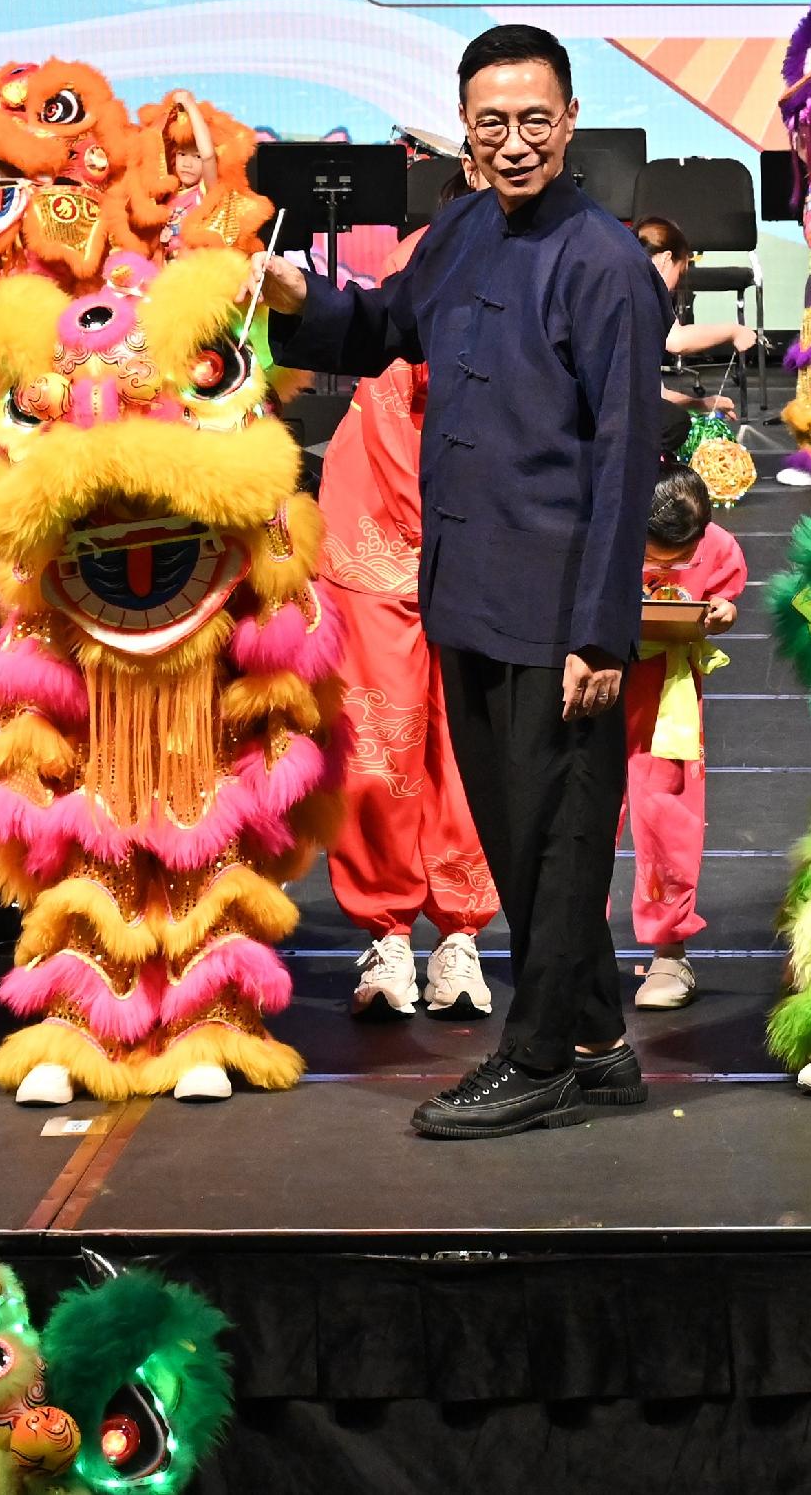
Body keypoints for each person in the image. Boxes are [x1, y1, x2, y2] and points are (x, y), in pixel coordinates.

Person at [254, 25, 664, 1138]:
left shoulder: (607, 263)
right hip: (468, 588)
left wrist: (600, 632)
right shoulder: (464, 228)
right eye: (494, 123)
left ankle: (535, 1059)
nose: (516, 143)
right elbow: (388, 326)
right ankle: (599, 1048)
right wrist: (302, 299)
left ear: (570, 123)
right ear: (466, 129)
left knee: (559, 840)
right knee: (515, 829)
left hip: (559, 607)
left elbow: (627, 458)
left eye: (536, 122)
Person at [311, 182, 500, 1027]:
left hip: (486, 532)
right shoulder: (419, 258)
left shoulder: (549, 263)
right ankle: (386, 931)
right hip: (375, 524)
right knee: (377, 738)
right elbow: (392, 398)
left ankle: (460, 931)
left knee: (470, 741)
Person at [626, 462, 747, 1011]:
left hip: (666, 692)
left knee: (666, 817)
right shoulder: (607, 527)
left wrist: (721, 609)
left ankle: (669, 951)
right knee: (576, 815)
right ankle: (568, 949)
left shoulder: (715, 544)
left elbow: (724, 593)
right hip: (594, 684)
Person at [633, 214, 751, 413]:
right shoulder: (643, 290)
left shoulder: (626, 281)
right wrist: (733, 331)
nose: (675, 285)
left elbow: (655, 394)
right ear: (666, 259)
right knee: (674, 427)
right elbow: (677, 340)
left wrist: (703, 404)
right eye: (679, 273)